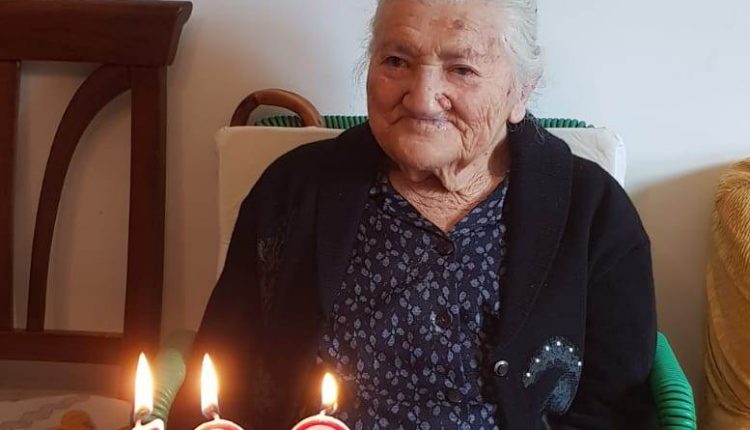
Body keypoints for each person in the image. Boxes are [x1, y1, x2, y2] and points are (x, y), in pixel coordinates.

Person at [170, 0, 657, 428]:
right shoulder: (290, 193)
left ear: (521, 92)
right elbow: (221, 378)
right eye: (396, 61)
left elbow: (618, 410)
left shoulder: (594, 214)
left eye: (462, 69)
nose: (422, 98)